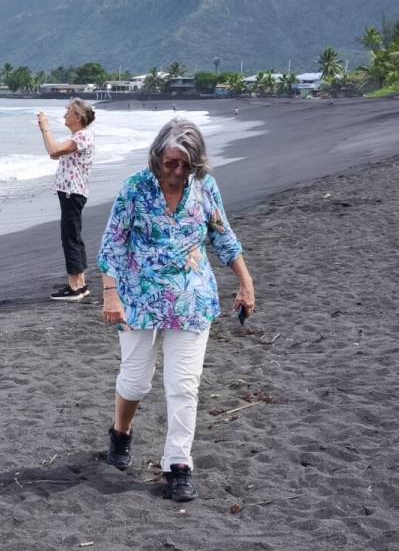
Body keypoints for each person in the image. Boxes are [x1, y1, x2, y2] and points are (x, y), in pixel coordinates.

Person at [96, 117, 255, 502]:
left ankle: (177, 465)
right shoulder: (135, 188)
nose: (179, 172)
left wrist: (246, 283)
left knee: (183, 386)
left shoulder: (204, 188)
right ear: (157, 158)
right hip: (138, 299)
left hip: (191, 300)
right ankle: (121, 430)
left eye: (187, 165)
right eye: (172, 163)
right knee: (135, 380)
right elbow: (112, 244)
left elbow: (223, 236)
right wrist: (110, 294)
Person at [35, 99, 96, 300]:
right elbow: (55, 154)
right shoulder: (80, 136)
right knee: (74, 237)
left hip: (73, 192)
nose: (64, 115)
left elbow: (53, 151)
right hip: (72, 192)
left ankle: (74, 287)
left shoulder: (82, 136)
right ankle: (80, 283)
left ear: (78, 117)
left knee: (70, 238)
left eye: (68, 112)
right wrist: (46, 132)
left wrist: (45, 128)